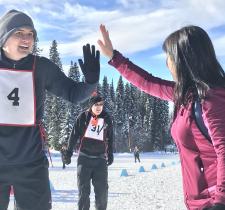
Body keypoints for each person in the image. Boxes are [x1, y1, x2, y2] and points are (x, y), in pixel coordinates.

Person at [98, 24, 225, 210]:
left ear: (185, 60)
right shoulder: (187, 95)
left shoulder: (212, 99)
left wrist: (220, 201)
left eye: (170, 57)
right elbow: (148, 83)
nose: (167, 63)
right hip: (201, 201)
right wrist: (114, 57)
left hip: (213, 200)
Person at [0, 9, 100, 210]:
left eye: (31, 34)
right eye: (19, 33)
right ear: (3, 37)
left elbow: (73, 93)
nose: (26, 38)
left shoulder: (41, 67)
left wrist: (90, 82)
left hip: (31, 164)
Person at [64, 95, 114, 210]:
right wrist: (68, 152)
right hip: (84, 159)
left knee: (102, 193)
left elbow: (111, 137)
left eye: (101, 104)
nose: (99, 107)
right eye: (96, 105)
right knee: (83, 193)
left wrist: (110, 153)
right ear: (91, 105)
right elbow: (74, 135)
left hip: (100, 160)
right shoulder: (83, 117)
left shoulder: (106, 118)